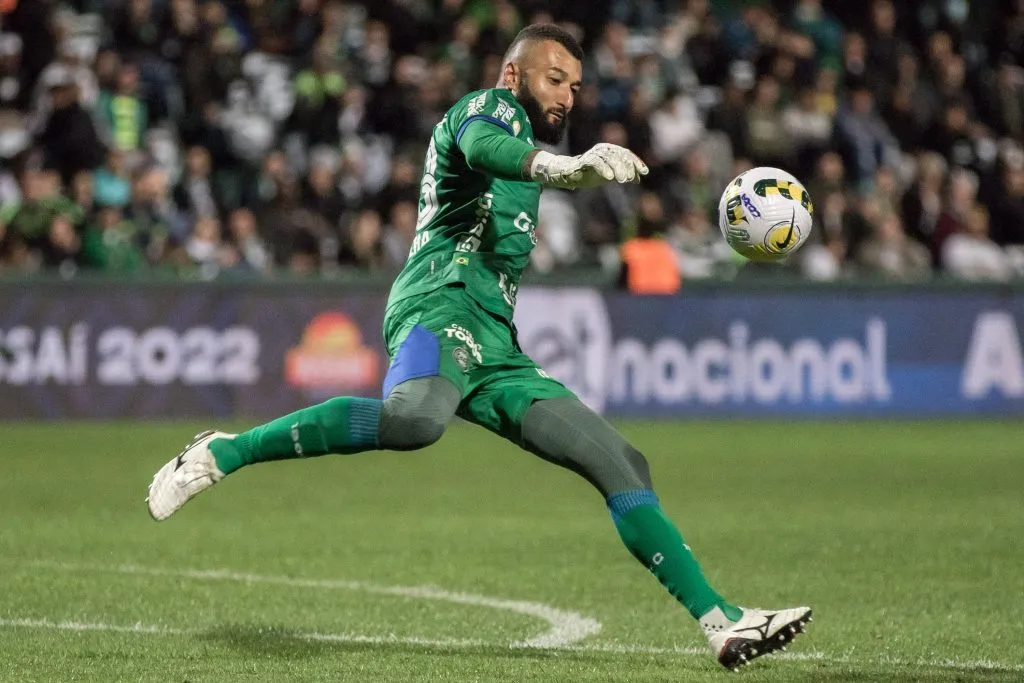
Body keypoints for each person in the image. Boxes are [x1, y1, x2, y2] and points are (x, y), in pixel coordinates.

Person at [146, 24, 810, 671]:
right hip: (436, 302)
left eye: (575, 86)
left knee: (618, 458)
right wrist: (562, 167)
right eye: (554, 79)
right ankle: (223, 450)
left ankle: (723, 621)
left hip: (495, 340)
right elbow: (484, 145)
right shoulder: (488, 109)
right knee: (414, 420)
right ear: (512, 74)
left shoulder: (537, 154)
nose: (566, 97)